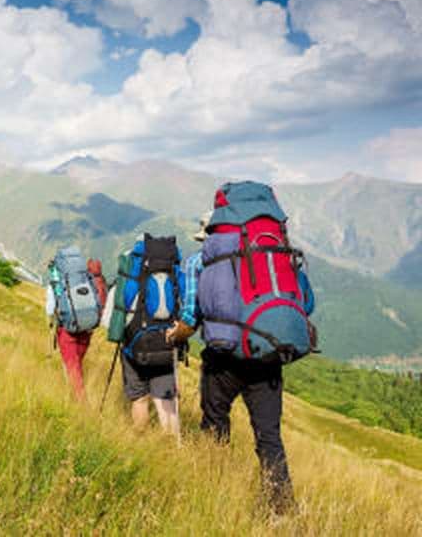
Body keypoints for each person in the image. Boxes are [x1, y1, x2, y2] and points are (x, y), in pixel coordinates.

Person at [167, 210, 299, 514]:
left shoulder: (196, 262)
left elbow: (190, 316)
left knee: (214, 424)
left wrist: (177, 335)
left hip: (221, 358)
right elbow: (305, 301)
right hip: (265, 357)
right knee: (269, 436)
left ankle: (215, 494)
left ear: (208, 234)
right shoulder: (268, 254)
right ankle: (280, 511)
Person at [102, 235, 182, 436]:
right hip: (166, 344)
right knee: (166, 401)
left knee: (139, 399)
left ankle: (142, 440)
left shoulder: (129, 277)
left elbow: (108, 321)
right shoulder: (173, 273)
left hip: (133, 349)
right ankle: (172, 450)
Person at [46, 257, 107, 402]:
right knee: (77, 364)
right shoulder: (85, 278)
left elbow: (49, 310)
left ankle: (81, 406)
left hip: (67, 331)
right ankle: (75, 398)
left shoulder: (58, 283)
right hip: (86, 328)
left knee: (72, 369)